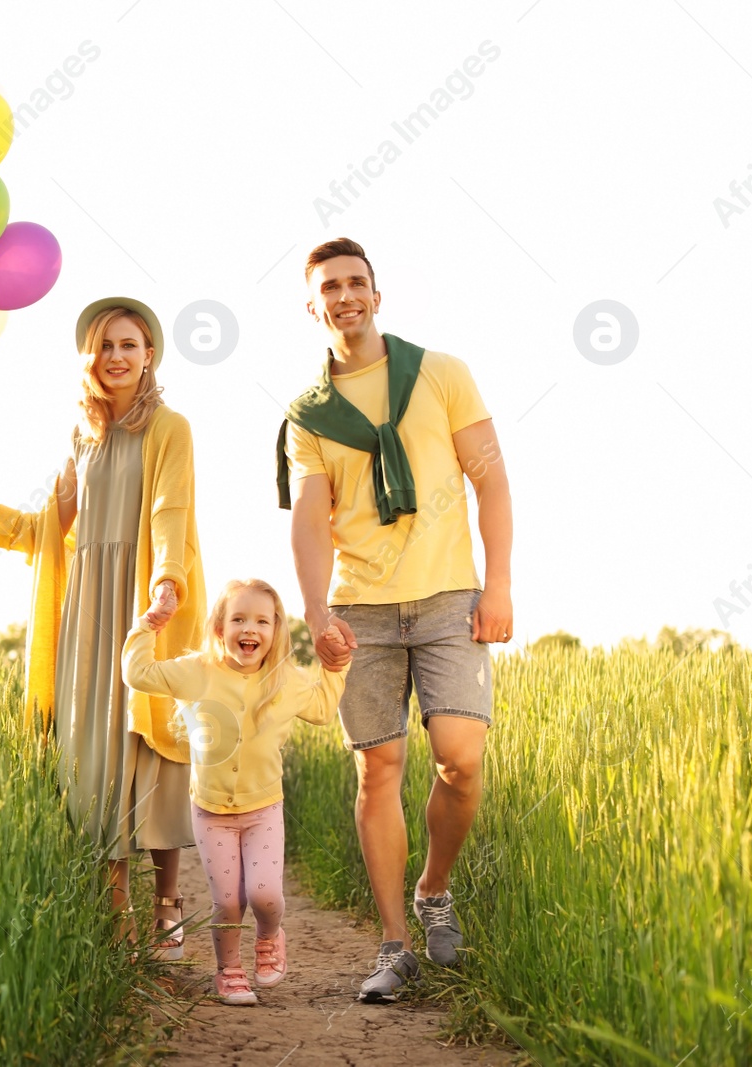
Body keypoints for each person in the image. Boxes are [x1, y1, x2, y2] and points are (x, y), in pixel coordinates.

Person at [277, 237, 514, 1003]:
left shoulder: (440, 373)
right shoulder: (308, 414)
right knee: (377, 769)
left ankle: (433, 889)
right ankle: (394, 945)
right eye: (329, 288)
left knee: (461, 757)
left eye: (356, 283)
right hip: (361, 610)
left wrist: (499, 582)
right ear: (312, 308)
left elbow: (491, 480)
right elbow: (312, 519)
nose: (344, 296)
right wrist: (315, 610)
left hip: (449, 597)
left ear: (377, 295)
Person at [0, 297, 207, 959]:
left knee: (156, 746)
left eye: (129, 344)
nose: (116, 356)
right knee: (95, 757)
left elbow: (173, 509)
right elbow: (47, 531)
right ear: (89, 357)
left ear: (150, 354)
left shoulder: (169, 427)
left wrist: (167, 579)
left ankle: (168, 906)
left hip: (146, 602)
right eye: (105, 345)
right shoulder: (81, 436)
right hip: (89, 610)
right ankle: (114, 914)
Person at [122, 578, 350, 1005]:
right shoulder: (196, 673)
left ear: (276, 631)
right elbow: (137, 673)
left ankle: (269, 936)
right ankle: (228, 971)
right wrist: (149, 625)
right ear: (219, 628)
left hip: (264, 809)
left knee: (264, 895)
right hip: (211, 812)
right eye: (239, 619)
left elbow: (321, 709)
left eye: (262, 621)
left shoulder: (286, 680)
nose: (250, 629)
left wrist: (336, 666)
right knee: (227, 903)